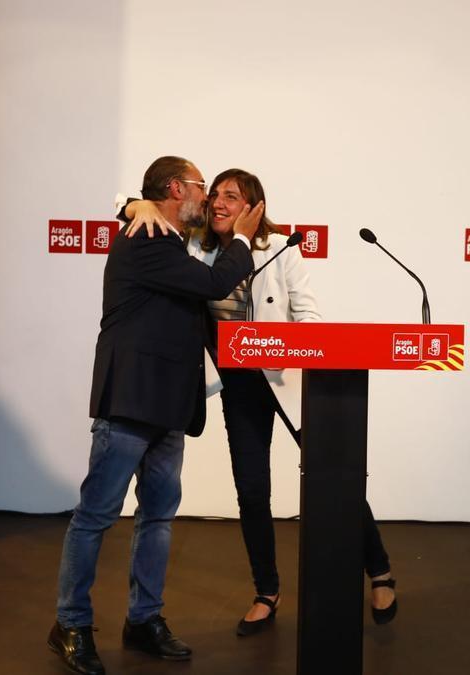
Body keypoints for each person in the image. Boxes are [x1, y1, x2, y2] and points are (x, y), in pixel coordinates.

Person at [123, 168, 398, 638]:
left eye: (233, 196)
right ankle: (266, 592)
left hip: (286, 380)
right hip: (238, 387)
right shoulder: (195, 246)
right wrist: (136, 204)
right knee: (252, 492)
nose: (218, 203)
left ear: (256, 207)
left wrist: (290, 349)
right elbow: (134, 206)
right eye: (214, 196)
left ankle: (380, 569)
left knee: (335, 474)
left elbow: (309, 315)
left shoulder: (281, 249)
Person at [47, 156, 263, 675]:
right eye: (200, 186)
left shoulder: (161, 233)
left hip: (166, 406)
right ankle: (70, 623)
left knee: (158, 518)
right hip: (130, 403)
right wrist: (241, 237)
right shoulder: (146, 239)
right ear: (174, 188)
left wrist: (130, 203)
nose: (208, 197)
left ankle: (143, 619)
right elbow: (214, 284)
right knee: (97, 514)